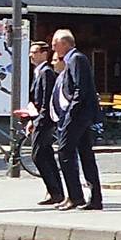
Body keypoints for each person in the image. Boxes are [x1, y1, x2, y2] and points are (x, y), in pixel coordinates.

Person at [50, 28, 103, 210]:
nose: (53, 48)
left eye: (55, 44)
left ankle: (76, 196)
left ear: (64, 43)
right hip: (78, 116)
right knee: (85, 155)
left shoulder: (76, 59)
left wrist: (70, 114)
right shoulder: (72, 60)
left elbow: (81, 89)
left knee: (65, 153)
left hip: (78, 116)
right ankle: (92, 199)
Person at [19, 41, 65, 206]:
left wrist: (39, 121)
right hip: (39, 119)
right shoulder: (38, 72)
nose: (31, 55)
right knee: (46, 155)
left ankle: (55, 191)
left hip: (44, 121)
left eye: (34, 52)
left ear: (43, 54)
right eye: (30, 52)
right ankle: (56, 192)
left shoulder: (46, 73)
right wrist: (31, 119)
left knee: (37, 155)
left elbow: (46, 101)